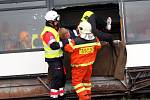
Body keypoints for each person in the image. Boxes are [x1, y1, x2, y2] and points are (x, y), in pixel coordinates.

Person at [64, 21, 101, 100]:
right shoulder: (95, 39)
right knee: (86, 82)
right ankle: (87, 97)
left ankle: (84, 98)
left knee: (76, 83)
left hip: (79, 67)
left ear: (80, 29)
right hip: (89, 66)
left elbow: (68, 49)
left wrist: (66, 42)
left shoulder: (75, 41)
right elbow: (99, 47)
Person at [40, 10, 66, 100]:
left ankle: (61, 95)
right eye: (56, 20)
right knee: (57, 77)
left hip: (58, 58)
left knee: (62, 78)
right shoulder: (47, 33)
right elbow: (54, 46)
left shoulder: (54, 29)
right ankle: (54, 97)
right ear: (50, 21)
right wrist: (66, 42)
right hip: (53, 59)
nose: (57, 22)